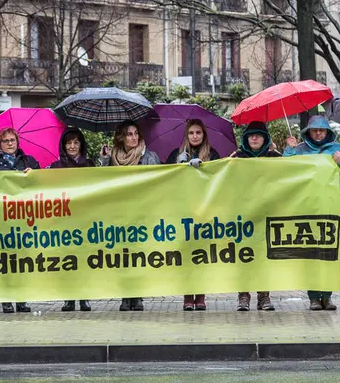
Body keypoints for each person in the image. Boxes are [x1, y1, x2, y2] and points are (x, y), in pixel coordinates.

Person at [284, 115, 340, 311]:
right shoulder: (299, 150)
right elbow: (284, 171)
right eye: (314, 130)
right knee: (310, 254)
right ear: (308, 132)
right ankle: (313, 297)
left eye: (321, 130)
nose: (318, 133)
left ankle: (328, 296)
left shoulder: (338, 150)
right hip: (305, 209)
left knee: (329, 253)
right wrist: (289, 149)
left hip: (331, 210)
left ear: (327, 132)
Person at [99, 120, 160, 311]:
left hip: (141, 212)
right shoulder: (112, 158)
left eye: (136, 134)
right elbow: (100, 183)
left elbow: (158, 182)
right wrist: (103, 161)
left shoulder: (150, 157)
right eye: (129, 134)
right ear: (121, 137)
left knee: (139, 255)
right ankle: (126, 296)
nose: (133, 137)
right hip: (120, 212)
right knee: (123, 256)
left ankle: (138, 295)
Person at [165, 119, 220, 311]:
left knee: (202, 256)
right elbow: (164, 179)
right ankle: (188, 296)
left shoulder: (213, 154)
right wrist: (177, 167)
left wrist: (204, 169)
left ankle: (201, 296)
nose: (195, 136)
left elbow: (219, 179)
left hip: (205, 212)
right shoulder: (176, 154)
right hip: (183, 211)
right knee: (186, 255)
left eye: (198, 132)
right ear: (186, 135)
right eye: (191, 133)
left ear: (203, 135)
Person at [0, 128, 38, 313]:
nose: (10, 143)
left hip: (24, 220)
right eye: (5, 141)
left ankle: (22, 299)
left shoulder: (29, 161)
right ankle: (6, 299)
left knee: (22, 259)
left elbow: (43, 186)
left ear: (17, 142)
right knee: (5, 260)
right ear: (0, 144)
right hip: (2, 219)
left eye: (12, 140)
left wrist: (34, 175)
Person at [231, 121, 280, 311]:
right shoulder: (237, 157)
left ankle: (264, 296)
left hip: (268, 215)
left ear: (265, 138)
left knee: (264, 257)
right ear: (245, 138)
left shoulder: (275, 157)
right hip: (242, 216)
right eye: (251, 135)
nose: (254, 138)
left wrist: (289, 153)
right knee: (243, 256)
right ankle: (243, 296)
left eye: (258, 135)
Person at [48, 127, 94, 312]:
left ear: (81, 145)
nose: (72, 146)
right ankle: (68, 298)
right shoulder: (55, 167)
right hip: (64, 220)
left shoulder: (90, 164)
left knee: (83, 259)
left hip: (84, 218)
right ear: (63, 145)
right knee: (66, 260)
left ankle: (84, 297)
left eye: (76, 142)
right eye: (69, 143)